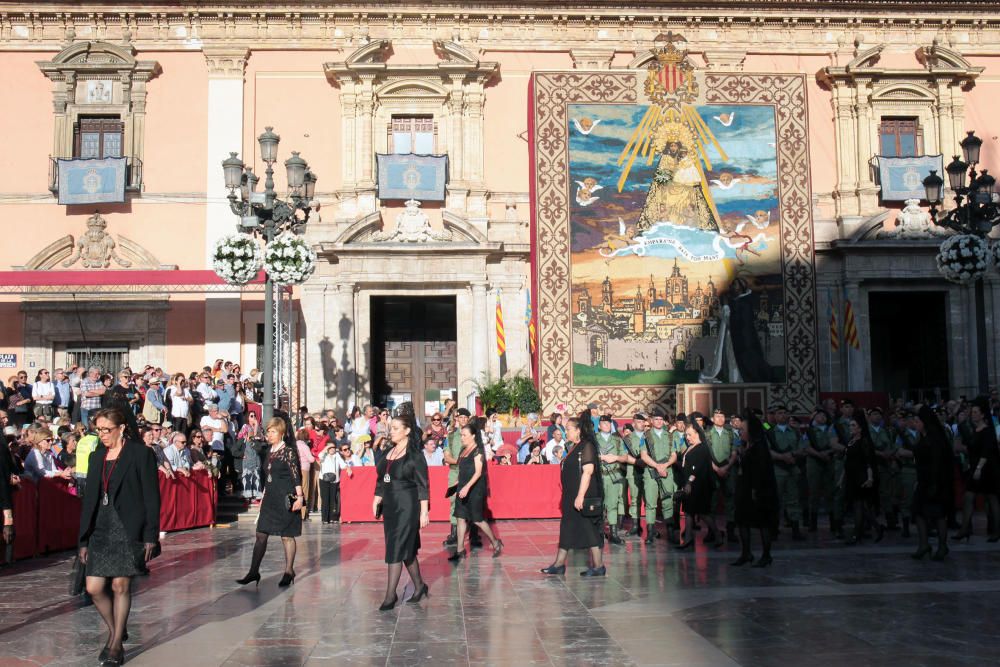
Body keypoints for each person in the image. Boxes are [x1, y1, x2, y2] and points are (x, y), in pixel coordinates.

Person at [78, 408, 160, 667]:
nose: (102, 435)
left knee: (120, 586)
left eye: (106, 430)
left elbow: (151, 496)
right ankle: (116, 629)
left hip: (128, 528)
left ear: (121, 428)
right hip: (100, 528)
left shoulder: (140, 454)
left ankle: (115, 645)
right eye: (98, 430)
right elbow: (90, 499)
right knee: (93, 587)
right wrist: (83, 539)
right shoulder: (96, 456)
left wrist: (150, 535)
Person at [237, 418, 303, 588]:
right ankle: (253, 571)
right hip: (270, 497)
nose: (269, 435)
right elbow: (267, 476)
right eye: (268, 431)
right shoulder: (269, 451)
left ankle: (289, 571)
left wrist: (300, 497)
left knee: (287, 536)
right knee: (260, 534)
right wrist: (264, 494)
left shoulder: (288, 451)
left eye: (273, 432)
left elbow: (296, 475)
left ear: (281, 433)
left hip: (286, 496)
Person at [373, 413, 430, 610]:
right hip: (390, 507)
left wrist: (424, 512)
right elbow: (382, 478)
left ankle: (390, 596)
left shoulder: (415, 455)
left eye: (396, 428)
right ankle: (420, 586)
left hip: (408, 506)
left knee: (395, 548)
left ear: (407, 431)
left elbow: (423, 486)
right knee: (406, 550)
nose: (392, 431)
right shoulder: (389, 450)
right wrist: (377, 497)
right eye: (391, 428)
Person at [541, 411, 605, 576]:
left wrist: (580, 496)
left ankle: (598, 566)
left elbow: (588, 471)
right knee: (566, 529)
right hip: (570, 496)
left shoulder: (587, 446)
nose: (565, 432)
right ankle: (559, 564)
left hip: (581, 496)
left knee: (588, 529)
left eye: (568, 429)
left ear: (578, 431)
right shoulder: (572, 447)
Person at [731, 409, 779, 567]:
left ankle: (766, 555)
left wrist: (755, 491)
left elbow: (761, 472)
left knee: (763, 523)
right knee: (742, 521)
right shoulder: (748, 446)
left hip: (758, 491)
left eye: (743, 430)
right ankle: (746, 553)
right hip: (745, 489)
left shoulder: (759, 448)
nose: (740, 432)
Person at [448, 424, 503, 560]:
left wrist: (466, 487)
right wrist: (457, 485)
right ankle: (460, 550)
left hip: (475, 490)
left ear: (473, 436)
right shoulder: (463, 451)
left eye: (464, 435)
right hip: (462, 488)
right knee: (460, 518)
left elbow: (478, 473)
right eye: (461, 435)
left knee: (477, 519)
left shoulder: (477, 451)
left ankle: (495, 542)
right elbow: (462, 471)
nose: (462, 438)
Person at [954, 397, 1000, 542]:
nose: (972, 414)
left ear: (982, 414)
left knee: (992, 498)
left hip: (986, 469)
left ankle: (997, 530)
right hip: (975, 467)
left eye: (975, 412)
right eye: (972, 411)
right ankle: (964, 529)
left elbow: (986, 452)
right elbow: (972, 449)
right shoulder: (974, 429)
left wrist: (979, 468)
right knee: (968, 497)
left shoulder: (987, 431)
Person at [911, 405, 954, 560]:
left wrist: (934, 483)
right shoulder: (922, 437)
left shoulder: (934, 438)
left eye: (917, 421)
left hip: (935, 481)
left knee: (938, 514)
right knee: (918, 512)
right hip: (924, 481)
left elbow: (937, 462)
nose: (914, 424)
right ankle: (924, 544)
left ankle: (942, 546)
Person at [677, 421, 723, 548]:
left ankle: (718, 535)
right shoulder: (690, 446)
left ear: (697, 433)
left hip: (699, 485)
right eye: (686, 435)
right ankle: (688, 539)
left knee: (701, 512)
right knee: (688, 512)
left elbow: (697, 468)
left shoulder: (702, 448)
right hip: (689, 484)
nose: (687, 437)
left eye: (689, 434)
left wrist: (689, 482)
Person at [766, 406, 805, 540]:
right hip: (778, 470)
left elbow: (802, 448)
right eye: (779, 413)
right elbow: (768, 451)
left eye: (785, 413)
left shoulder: (795, 432)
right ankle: (774, 529)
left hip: (792, 469)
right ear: (775, 416)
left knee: (794, 500)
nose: (782, 415)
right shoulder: (770, 433)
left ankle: (796, 529)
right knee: (776, 500)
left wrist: (792, 454)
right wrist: (782, 457)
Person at [844, 413, 883, 545]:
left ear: (860, 428)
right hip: (851, 476)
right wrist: (841, 478)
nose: (851, 427)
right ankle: (877, 528)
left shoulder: (864, 441)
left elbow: (868, 461)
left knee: (859, 506)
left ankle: (857, 534)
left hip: (861, 477)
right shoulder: (851, 440)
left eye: (853, 425)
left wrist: (870, 478)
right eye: (850, 425)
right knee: (862, 507)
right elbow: (847, 461)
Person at [640, 409, 676, 545]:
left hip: (667, 470)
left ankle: (671, 532)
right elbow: (644, 455)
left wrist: (665, 465)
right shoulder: (646, 436)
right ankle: (650, 533)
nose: (659, 421)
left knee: (668, 502)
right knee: (650, 503)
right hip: (651, 472)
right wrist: (657, 466)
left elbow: (674, 455)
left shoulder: (671, 436)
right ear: (651, 421)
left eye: (661, 419)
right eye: (656, 419)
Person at [595, 415, 632, 545]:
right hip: (598, 476)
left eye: (608, 423)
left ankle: (613, 533)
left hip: (614, 476)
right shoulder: (593, 439)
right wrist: (602, 457)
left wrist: (614, 457)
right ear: (599, 426)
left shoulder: (617, 439)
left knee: (613, 505)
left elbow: (625, 457)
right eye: (603, 423)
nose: (606, 425)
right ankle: (598, 533)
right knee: (599, 505)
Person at [706, 409, 738, 543]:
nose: (720, 418)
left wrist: (726, 467)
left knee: (731, 501)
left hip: (728, 471)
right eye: (717, 416)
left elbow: (735, 452)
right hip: (713, 472)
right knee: (711, 501)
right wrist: (716, 469)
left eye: (722, 416)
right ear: (712, 419)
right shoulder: (707, 434)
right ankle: (711, 532)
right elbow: (706, 454)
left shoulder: (731, 433)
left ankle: (731, 531)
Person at [442, 408, 471, 548]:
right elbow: (447, 456)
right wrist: (460, 462)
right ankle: (454, 533)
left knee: (471, 501)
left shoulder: (473, 436)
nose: (463, 420)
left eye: (466, 417)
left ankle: (473, 532)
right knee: (454, 501)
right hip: (455, 472)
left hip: (470, 472)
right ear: (457, 419)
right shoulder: (451, 436)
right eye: (461, 417)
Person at [622, 413, 646, 537]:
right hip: (633, 471)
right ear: (634, 423)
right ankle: (636, 526)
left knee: (649, 499)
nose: (642, 424)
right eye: (639, 422)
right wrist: (637, 462)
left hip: (648, 470)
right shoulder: (628, 438)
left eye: (643, 422)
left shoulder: (649, 436)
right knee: (635, 499)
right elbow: (625, 455)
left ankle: (650, 526)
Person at [318, 441, 353, 524]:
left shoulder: (337, 455)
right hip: (324, 479)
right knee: (325, 499)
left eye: (333, 447)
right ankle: (324, 518)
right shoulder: (324, 454)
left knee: (332, 499)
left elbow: (342, 465)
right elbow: (319, 456)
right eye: (330, 447)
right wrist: (327, 447)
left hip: (334, 479)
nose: (332, 449)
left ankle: (331, 518)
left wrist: (348, 468)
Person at [237, 411, 264, 502]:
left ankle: (256, 496)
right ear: (248, 418)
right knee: (247, 476)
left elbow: (261, 438)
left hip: (256, 455)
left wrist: (256, 426)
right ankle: (247, 497)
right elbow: (242, 437)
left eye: (255, 416)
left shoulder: (259, 428)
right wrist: (254, 427)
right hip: (248, 454)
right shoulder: (246, 427)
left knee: (256, 476)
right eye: (251, 416)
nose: (253, 417)